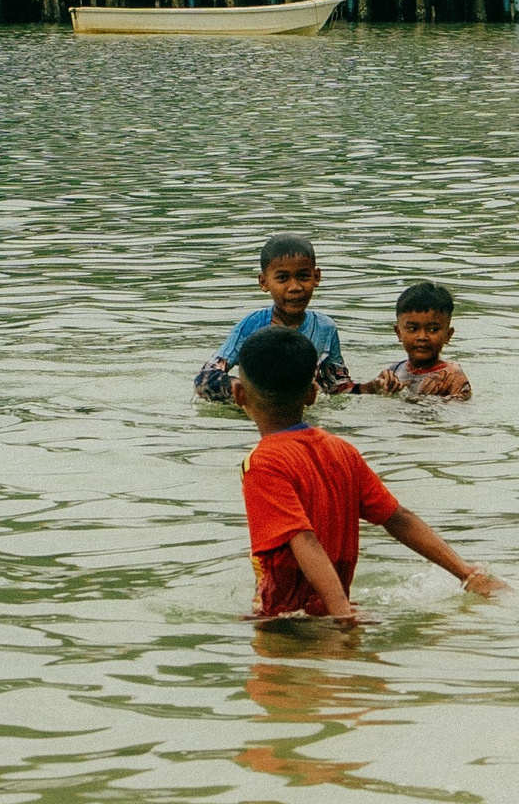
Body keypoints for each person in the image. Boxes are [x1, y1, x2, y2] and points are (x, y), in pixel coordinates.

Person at [231, 327, 502, 619]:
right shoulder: (341, 450)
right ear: (312, 394)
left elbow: (302, 539)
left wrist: (342, 614)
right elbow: (398, 518)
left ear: (239, 393)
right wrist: (468, 574)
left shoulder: (263, 463)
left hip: (285, 618)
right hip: (331, 610)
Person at [195, 233, 352, 406]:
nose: (295, 287)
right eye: (283, 278)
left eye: (303, 276)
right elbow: (205, 378)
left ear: (316, 277)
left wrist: (373, 387)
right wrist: (250, 392)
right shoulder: (252, 326)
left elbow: (337, 385)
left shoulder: (325, 328)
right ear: (264, 282)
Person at [359, 281, 472, 400]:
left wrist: (422, 402)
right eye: (413, 329)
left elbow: (460, 409)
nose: (422, 337)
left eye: (433, 329)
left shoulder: (452, 375)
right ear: (398, 333)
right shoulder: (395, 371)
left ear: (448, 335)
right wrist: (376, 386)